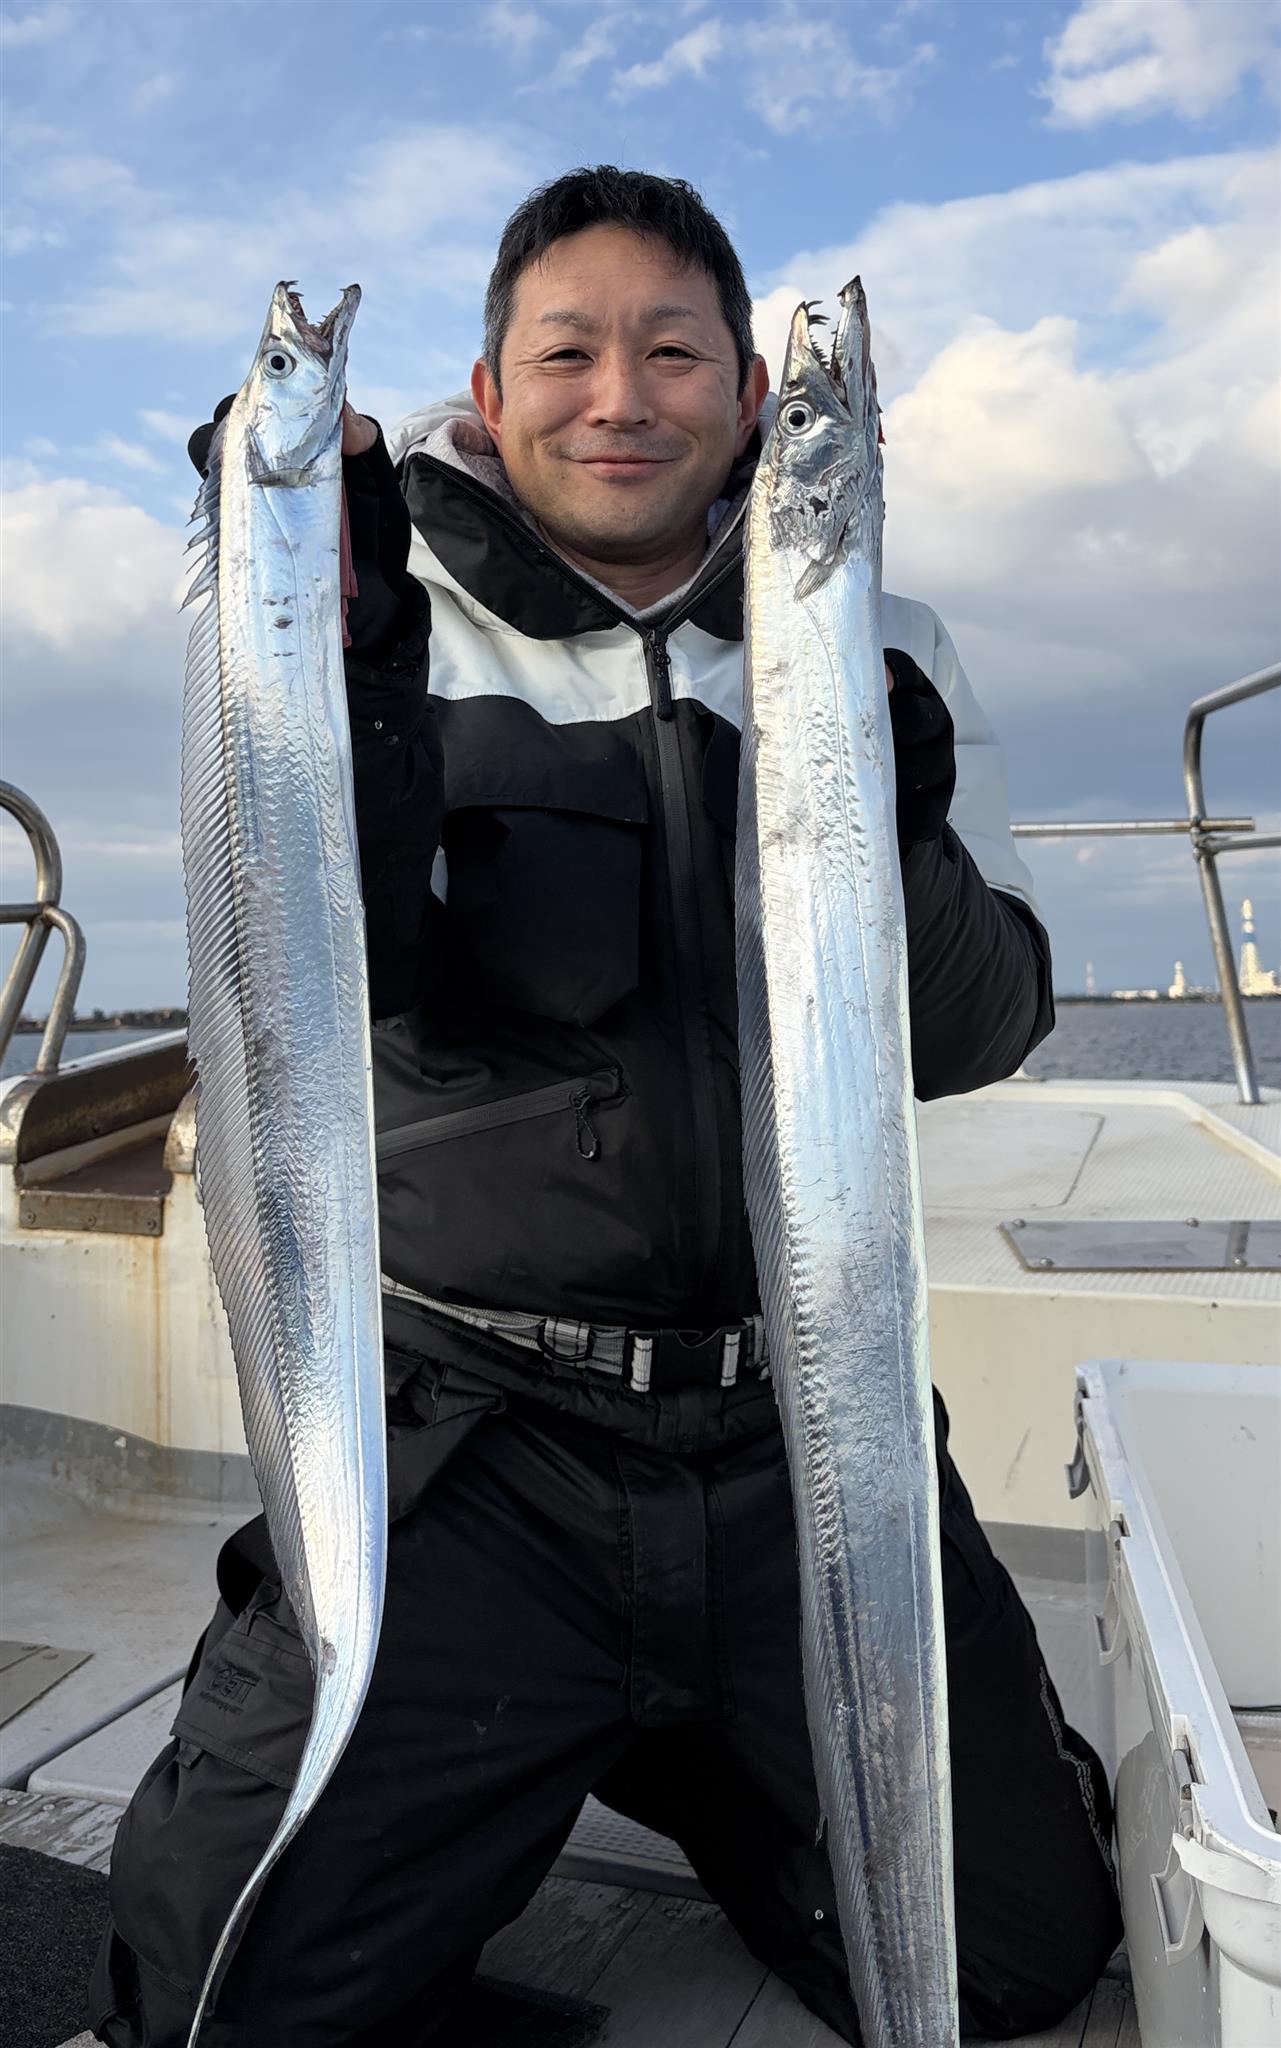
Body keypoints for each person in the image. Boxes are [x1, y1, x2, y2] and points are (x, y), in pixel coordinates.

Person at [90, 166, 1121, 2047]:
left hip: (795, 1435)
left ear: (751, 396)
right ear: (488, 395)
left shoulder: (877, 631)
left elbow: (974, 1031)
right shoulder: (357, 620)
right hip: (476, 1447)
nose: (621, 398)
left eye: (674, 354)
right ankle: (552, 1711)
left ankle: (667, 1728)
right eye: (567, 355)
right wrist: (349, 683)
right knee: (222, 2003)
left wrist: (890, 808)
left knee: (1010, 1959)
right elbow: (336, 973)